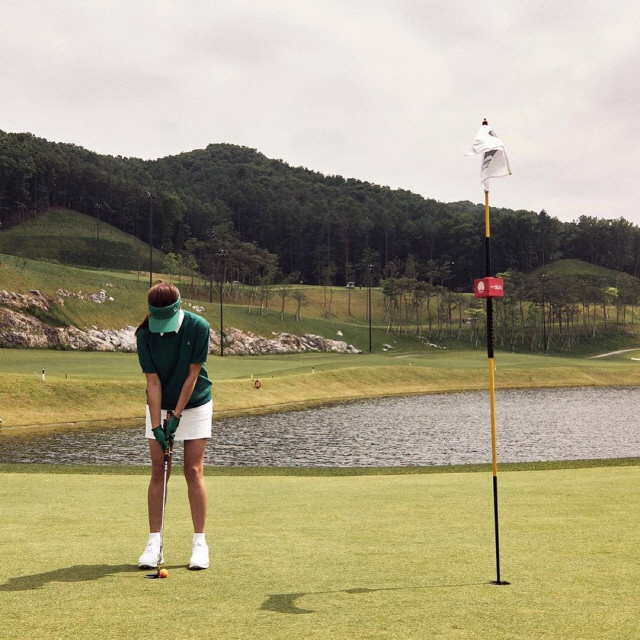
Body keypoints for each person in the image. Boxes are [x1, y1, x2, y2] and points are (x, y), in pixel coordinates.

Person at [134, 282, 213, 570]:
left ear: (178, 308)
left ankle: (199, 544)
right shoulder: (144, 334)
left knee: (192, 469)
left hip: (195, 402)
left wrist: (176, 416)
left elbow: (192, 377)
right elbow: (152, 382)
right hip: (159, 403)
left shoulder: (198, 326)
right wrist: (157, 424)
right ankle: (154, 543)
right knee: (159, 470)